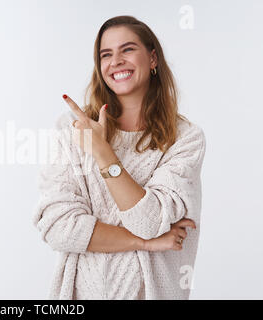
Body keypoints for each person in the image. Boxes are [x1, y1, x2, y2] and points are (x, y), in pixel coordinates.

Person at [32, 15, 206, 300]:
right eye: (106, 54)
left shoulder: (185, 138)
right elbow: (58, 227)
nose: (116, 61)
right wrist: (145, 243)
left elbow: (147, 222)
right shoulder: (72, 130)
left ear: (152, 59)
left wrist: (102, 152)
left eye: (127, 49)